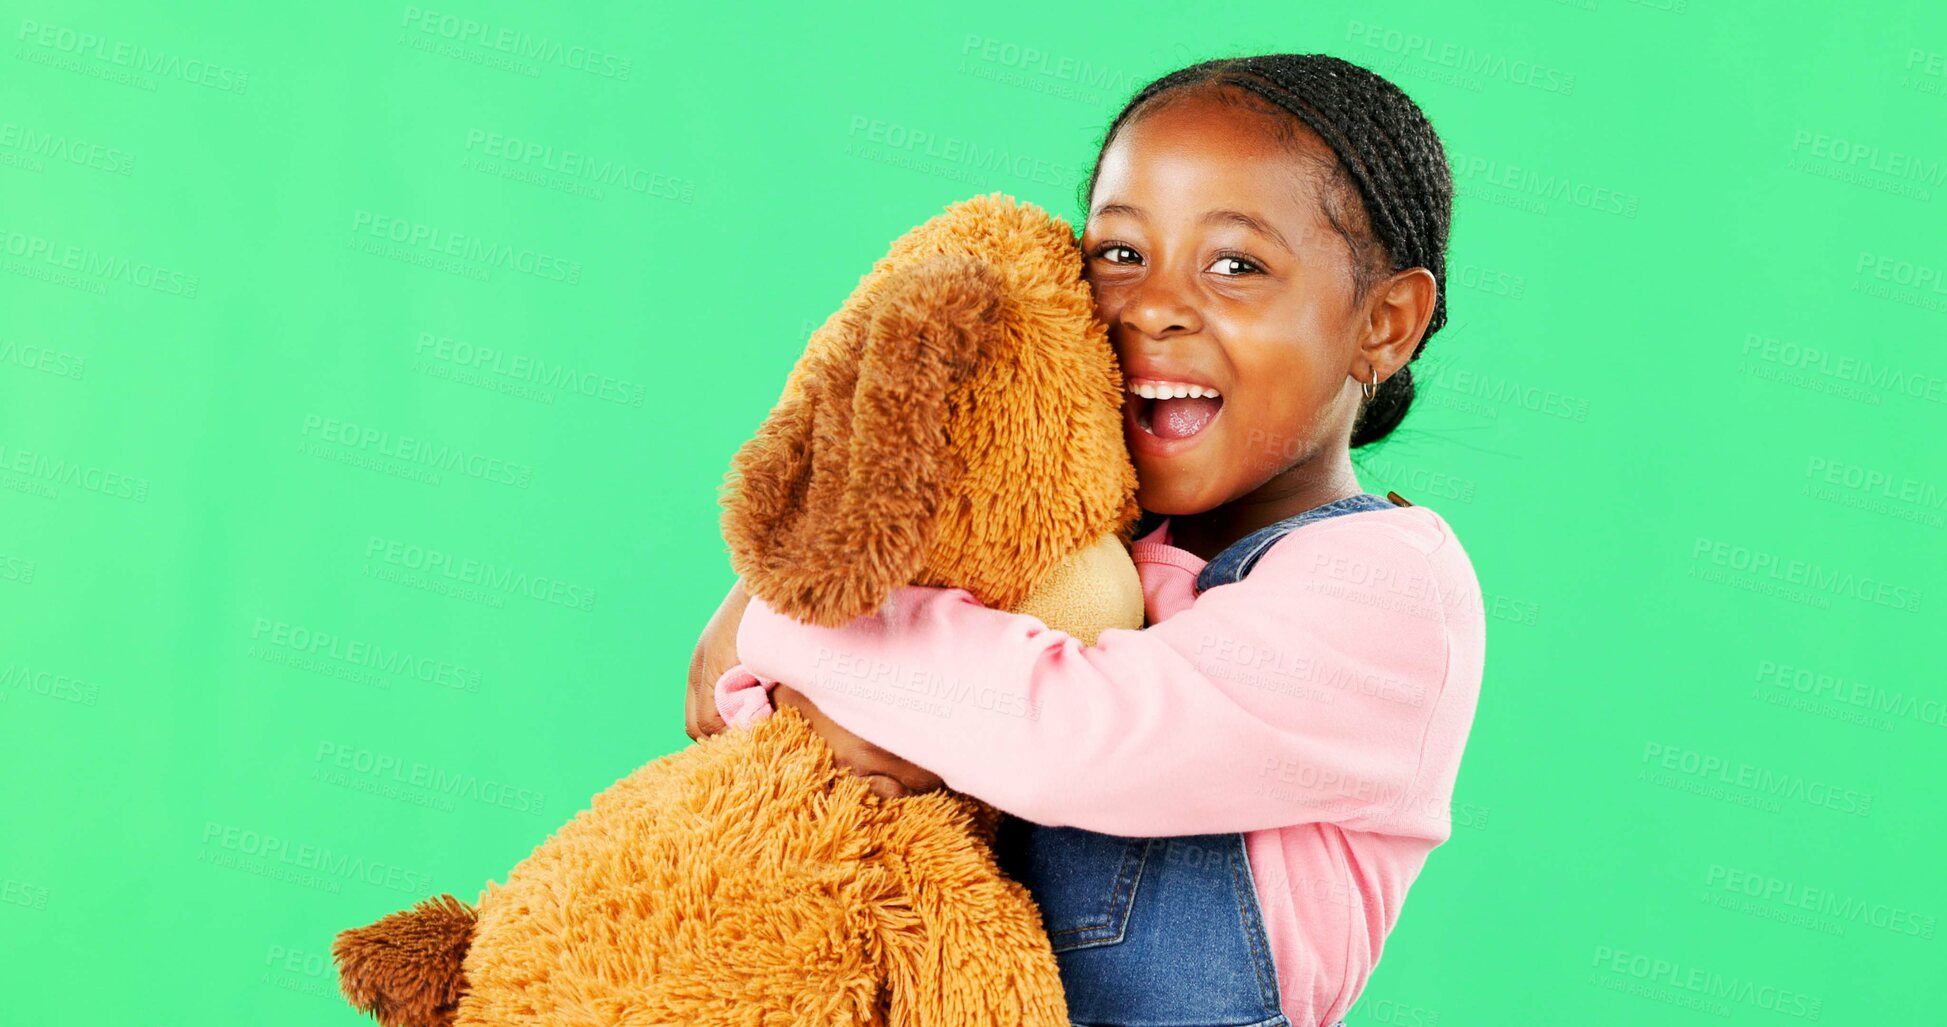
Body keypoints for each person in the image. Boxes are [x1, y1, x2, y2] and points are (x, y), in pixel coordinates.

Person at [686, 53, 1485, 1027]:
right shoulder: (1070, 538)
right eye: (1119, 254)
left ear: (1384, 323)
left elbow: (1079, 739)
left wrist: (790, 616)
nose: (1155, 307)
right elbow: (818, 759)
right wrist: (796, 647)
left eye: (1235, 263)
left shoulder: (1386, 588)